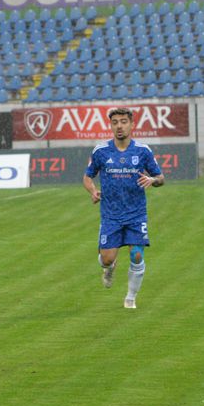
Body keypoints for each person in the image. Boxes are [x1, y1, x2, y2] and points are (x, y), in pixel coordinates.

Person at [82, 107, 165, 310]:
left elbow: (161, 178)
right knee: (107, 259)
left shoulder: (142, 151)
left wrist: (152, 179)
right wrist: (93, 191)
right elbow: (87, 176)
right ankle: (109, 267)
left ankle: (130, 298)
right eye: (115, 122)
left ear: (131, 124)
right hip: (110, 214)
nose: (119, 126)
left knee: (137, 255)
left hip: (136, 213)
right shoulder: (101, 151)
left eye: (123, 122)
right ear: (111, 125)